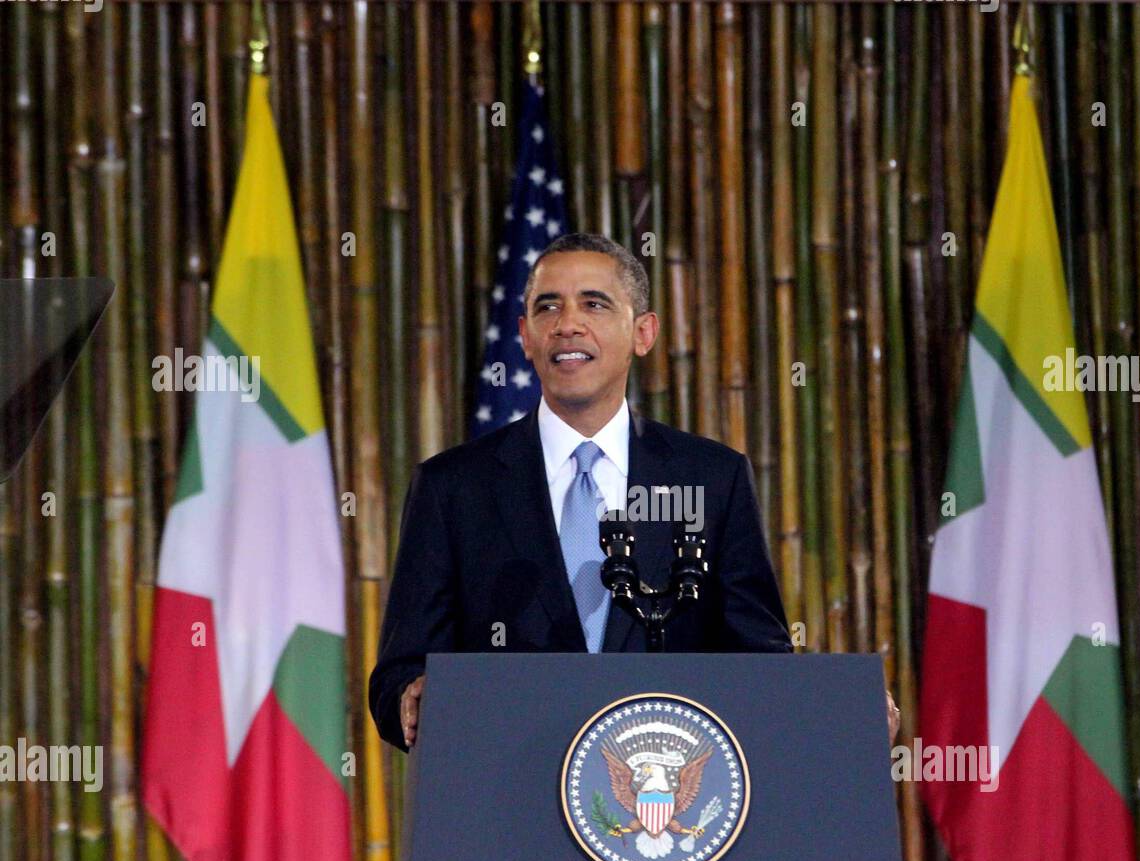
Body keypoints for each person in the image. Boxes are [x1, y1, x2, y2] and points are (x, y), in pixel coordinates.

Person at [367, 232, 900, 750]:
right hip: (506, 802)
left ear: (644, 333)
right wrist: (410, 697)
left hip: (667, 805)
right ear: (525, 335)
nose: (567, 324)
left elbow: (758, 658)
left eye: (594, 304)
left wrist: (837, 708)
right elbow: (400, 672)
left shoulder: (711, 479)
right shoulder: (452, 488)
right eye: (548, 308)